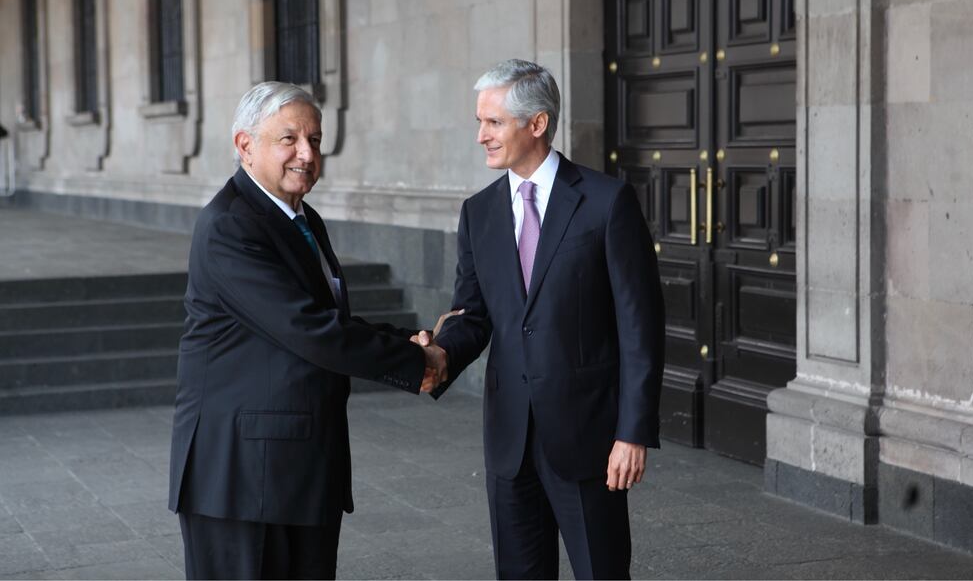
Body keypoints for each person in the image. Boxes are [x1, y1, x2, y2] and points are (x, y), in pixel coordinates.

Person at [167, 82, 446, 580]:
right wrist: (413, 365)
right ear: (245, 145)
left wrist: (402, 340)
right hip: (242, 477)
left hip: (296, 464)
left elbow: (321, 315)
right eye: (289, 139)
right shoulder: (231, 225)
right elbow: (307, 329)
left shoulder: (300, 217)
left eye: (315, 140)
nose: (306, 153)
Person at [423, 59, 665, 579]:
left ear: (537, 123)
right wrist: (437, 354)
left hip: (590, 439)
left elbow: (639, 326)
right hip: (509, 440)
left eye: (493, 123)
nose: (480, 136)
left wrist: (633, 432)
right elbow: (473, 314)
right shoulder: (478, 212)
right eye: (479, 122)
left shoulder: (606, 202)